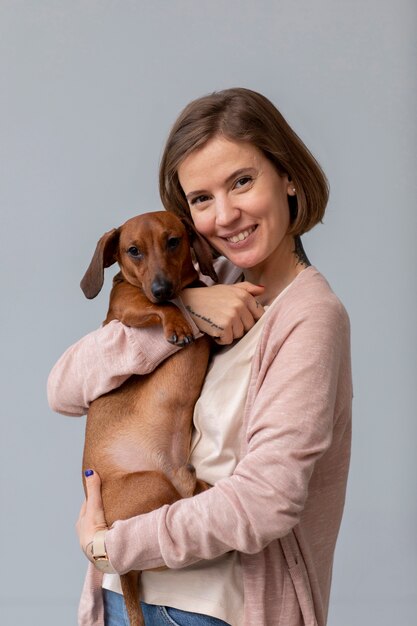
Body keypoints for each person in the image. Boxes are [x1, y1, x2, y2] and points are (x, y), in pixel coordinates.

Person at [47, 87, 352, 626]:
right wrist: (186, 305)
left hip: (208, 609)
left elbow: (265, 503)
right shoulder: (209, 287)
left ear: (288, 177)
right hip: (127, 596)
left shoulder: (309, 317)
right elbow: (63, 389)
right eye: (201, 198)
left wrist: (111, 545)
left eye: (242, 181)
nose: (226, 214)